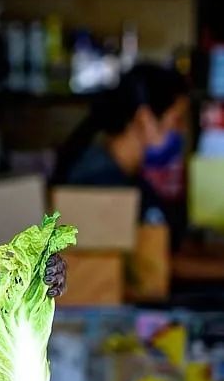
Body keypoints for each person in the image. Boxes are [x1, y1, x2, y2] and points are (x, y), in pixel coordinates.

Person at [52, 63, 189, 248]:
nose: (182, 131)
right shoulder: (99, 183)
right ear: (143, 119)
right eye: (177, 120)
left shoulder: (126, 176)